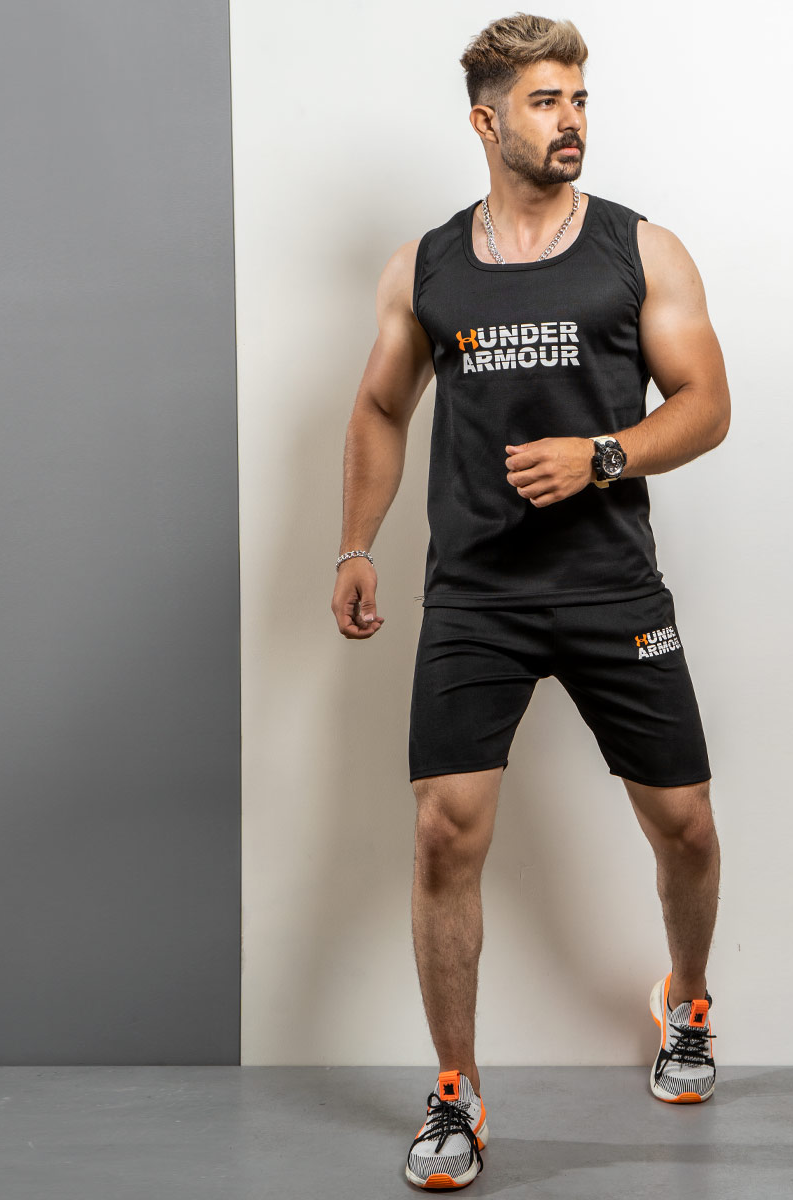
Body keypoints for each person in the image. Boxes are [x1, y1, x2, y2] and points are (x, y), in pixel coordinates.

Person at [330, 13, 731, 1190]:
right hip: (478, 596)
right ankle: (456, 1093)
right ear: (486, 119)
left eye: (579, 99)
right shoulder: (426, 266)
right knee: (443, 832)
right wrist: (354, 544)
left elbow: (705, 404)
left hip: (611, 586)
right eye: (547, 101)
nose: (571, 121)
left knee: (685, 827)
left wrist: (602, 455)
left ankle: (688, 999)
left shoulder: (640, 251)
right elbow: (380, 407)